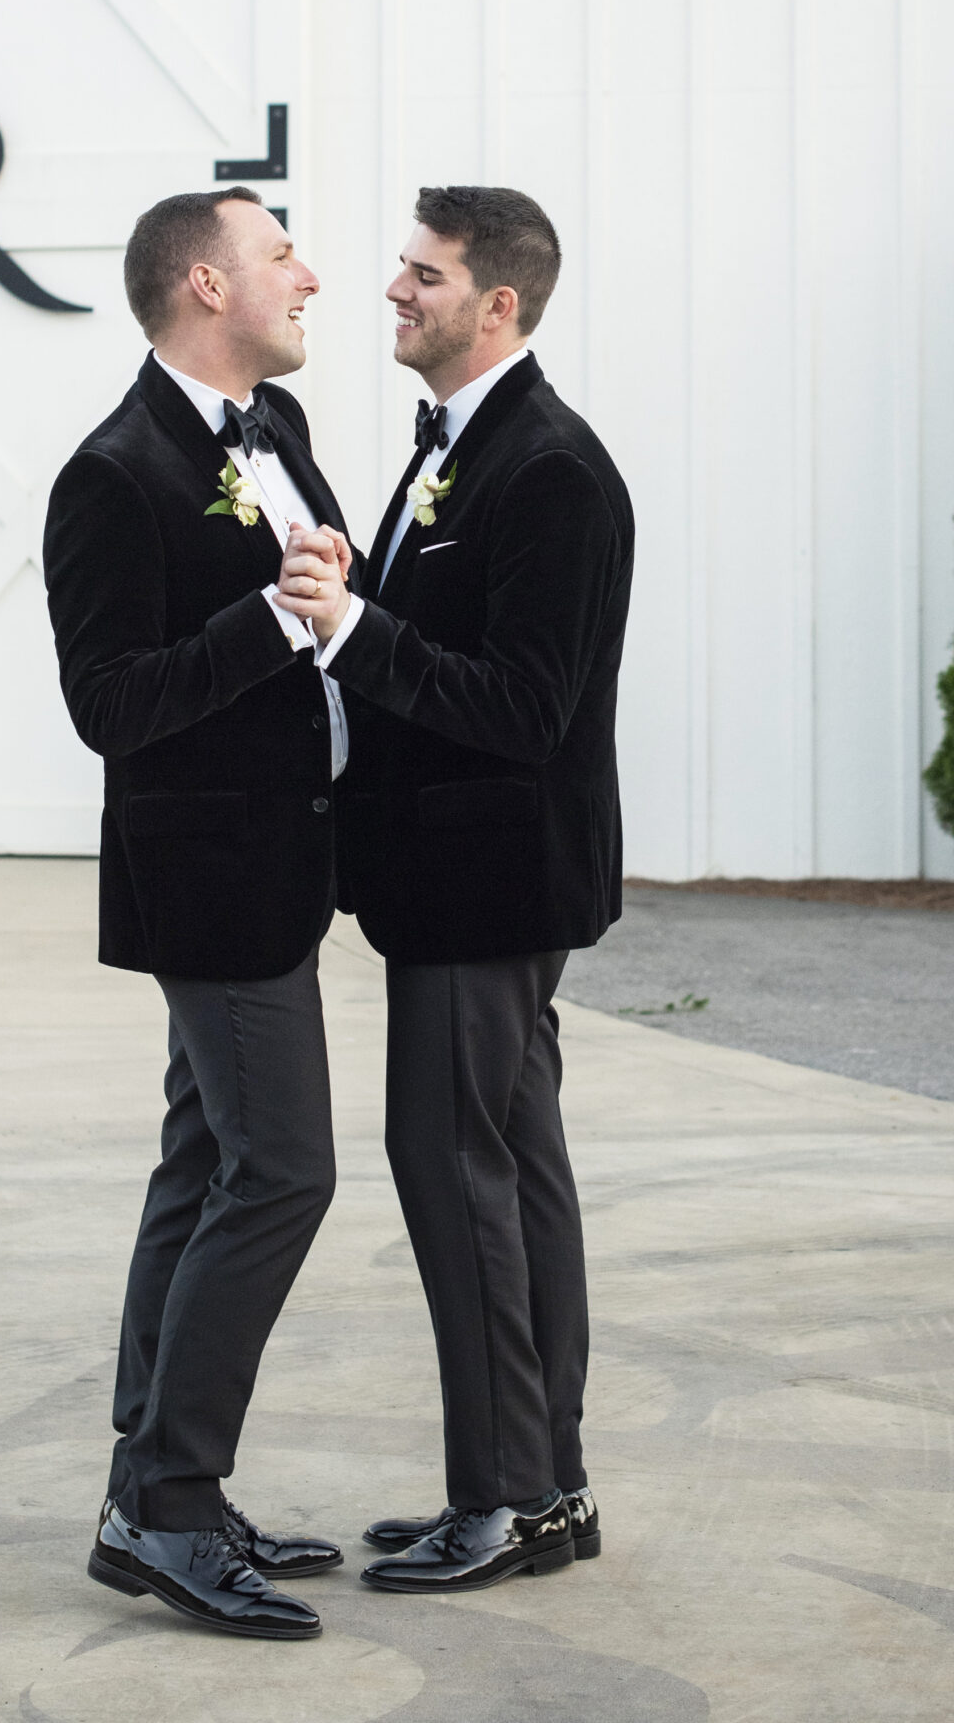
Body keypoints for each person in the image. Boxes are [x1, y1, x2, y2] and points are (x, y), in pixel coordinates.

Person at [275, 185, 634, 1594]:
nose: (390, 292)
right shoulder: (457, 456)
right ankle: (544, 1488)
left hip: (492, 886)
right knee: (515, 1176)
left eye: (422, 275)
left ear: (499, 305)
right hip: (454, 883)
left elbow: (526, 709)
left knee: (455, 1172)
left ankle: (508, 1499)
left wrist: (355, 629)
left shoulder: (549, 470)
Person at [44, 186, 356, 1642]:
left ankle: (145, 1496)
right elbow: (111, 708)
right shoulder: (113, 475)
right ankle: (172, 1502)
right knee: (285, 1172)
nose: (309, 273)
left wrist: (327, 588)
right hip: (211, 884)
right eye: (279, 254)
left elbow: (313, 579)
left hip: (284, 870)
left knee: (204, 1166)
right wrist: (268, 620)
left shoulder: (275, 434)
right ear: (201, 285)